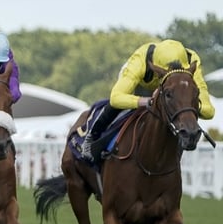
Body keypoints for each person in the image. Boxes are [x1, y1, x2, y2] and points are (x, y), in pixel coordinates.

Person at [81, 39, 215, 161]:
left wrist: (185, 106)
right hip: (141, 84)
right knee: (117, 105)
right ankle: (92, 137)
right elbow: (116, 98)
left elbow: (209, 112)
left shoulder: (192, 61)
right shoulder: (139, 62)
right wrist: (147, 101)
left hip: (171, 92)